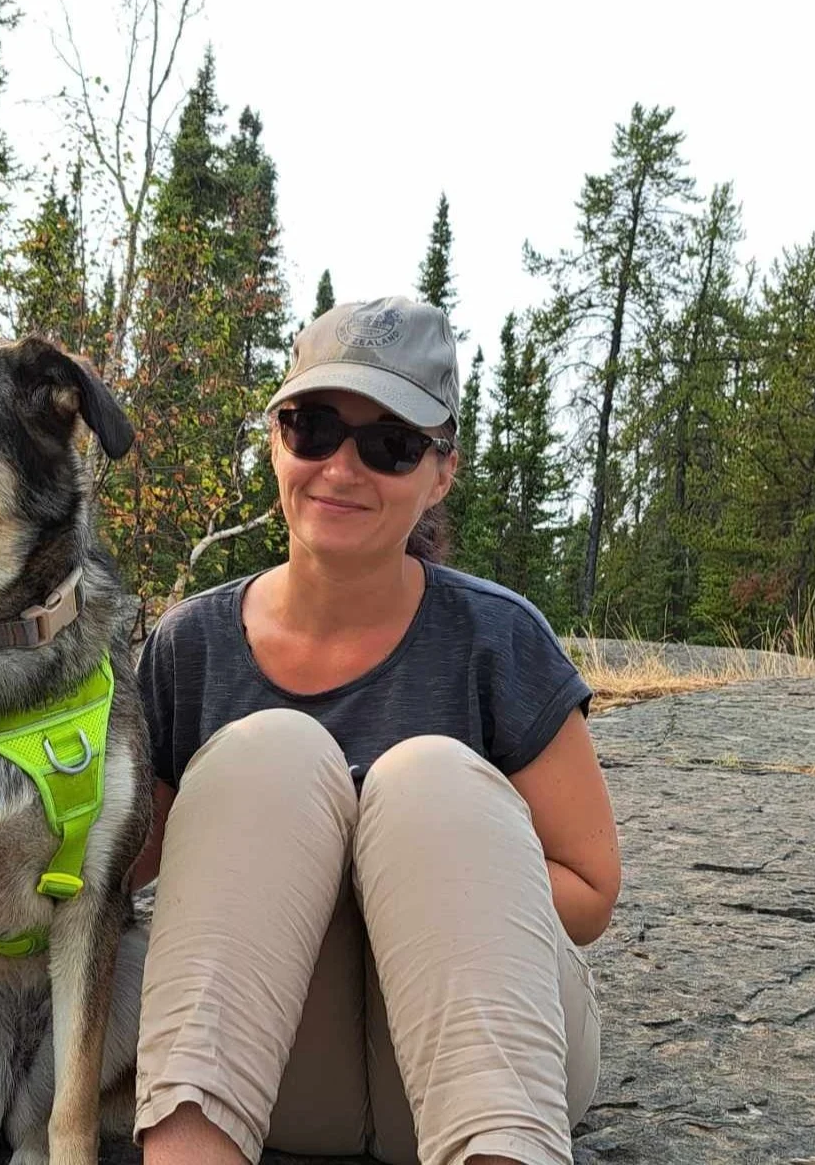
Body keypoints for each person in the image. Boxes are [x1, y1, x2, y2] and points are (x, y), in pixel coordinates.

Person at [127, 296, 621, 1165]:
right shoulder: (188, 646)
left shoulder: (498, 640)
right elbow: (126, 869)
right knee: (266, 755)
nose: (341, 469)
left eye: (390, 444)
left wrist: (412, 875)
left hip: (469, 1056)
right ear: (276, 442)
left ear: (441, 473)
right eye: (313, 427)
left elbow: (590, 893)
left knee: (427, 780)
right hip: (281, 1077)